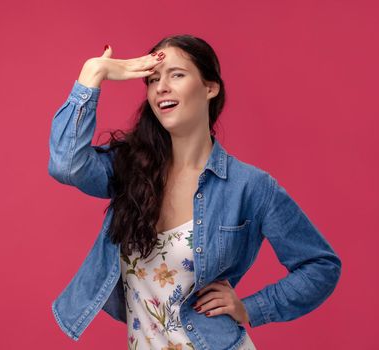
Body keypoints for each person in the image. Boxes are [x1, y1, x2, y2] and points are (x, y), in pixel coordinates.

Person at [48, 34, 342, 350]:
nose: (161, 87)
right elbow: (67, 164)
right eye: (152, 79)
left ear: (210, 88)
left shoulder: (249, 186)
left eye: (176, 74)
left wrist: (250, 308)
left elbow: (320, 266)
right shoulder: (131, 170)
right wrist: (93, 73)